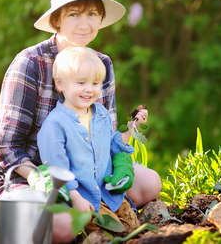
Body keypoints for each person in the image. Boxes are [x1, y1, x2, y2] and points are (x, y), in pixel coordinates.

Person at [0, 0, 161, 243]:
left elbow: (104, 134)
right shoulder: (30, 63)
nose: (84, 24)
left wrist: (120, 157)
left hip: (84, 166)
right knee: (63, 226)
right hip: (29, 171)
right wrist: (56, 186)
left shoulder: (102, 64)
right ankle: (29, 222)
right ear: (57, 20)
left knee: (149, 183)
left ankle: (105, 218)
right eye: (74, 14)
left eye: (92, 14)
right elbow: (5, 149)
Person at [38, 46, 146, 234]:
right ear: (60, 83)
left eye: (95, 83)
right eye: (81, 83)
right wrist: (75, 198)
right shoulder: (55, 124)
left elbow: (112, 147)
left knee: (134, 230)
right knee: (114, 234)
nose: (89, 90)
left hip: (109, 195)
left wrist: (131, 128)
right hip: (82, 198)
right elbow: (57, 169)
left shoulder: (101, 114)